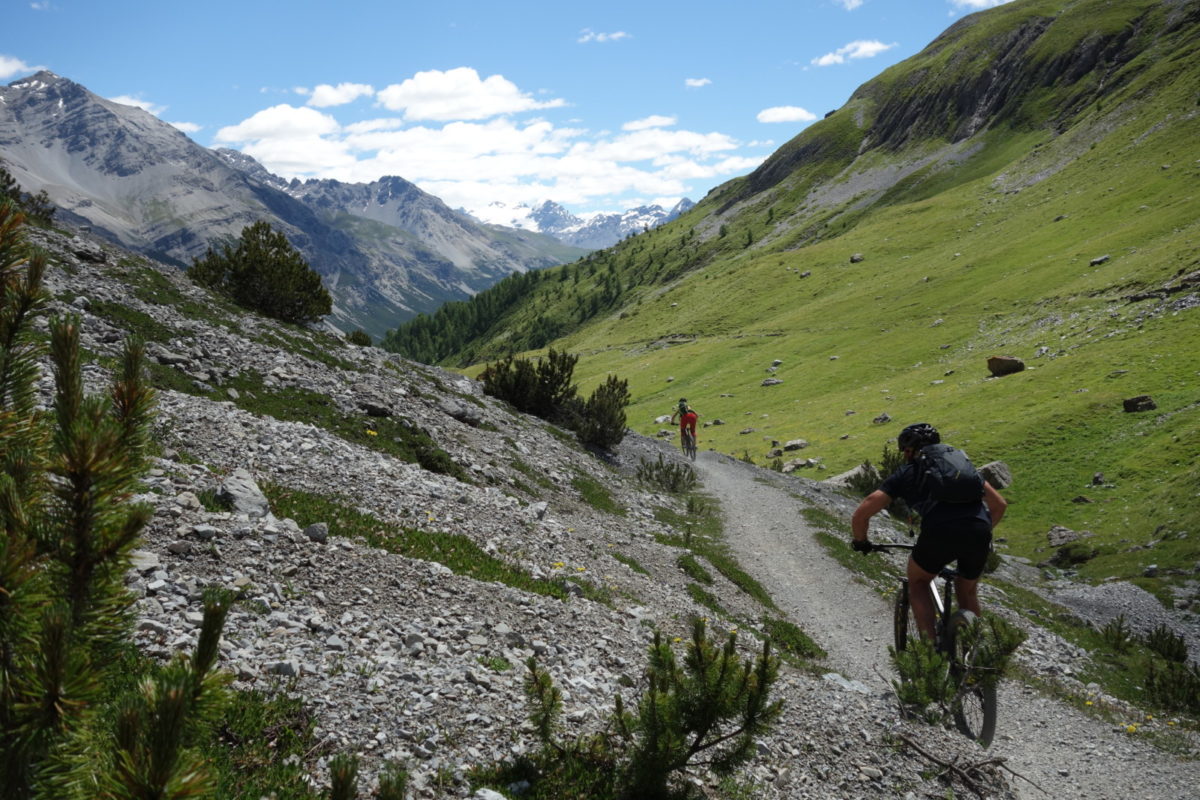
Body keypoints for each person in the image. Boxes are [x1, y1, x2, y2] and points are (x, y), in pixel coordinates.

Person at [850, 422, 1007, 641]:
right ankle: (974, 653)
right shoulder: (961, 467)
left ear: (909, 450)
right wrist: (979, 532)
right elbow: (999, 505)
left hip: (939, 530)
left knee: (918, 581)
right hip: (978, 529)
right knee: (968, 589)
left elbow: (863, 512)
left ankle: (930, 650)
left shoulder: (908, 472)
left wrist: (861, 541)